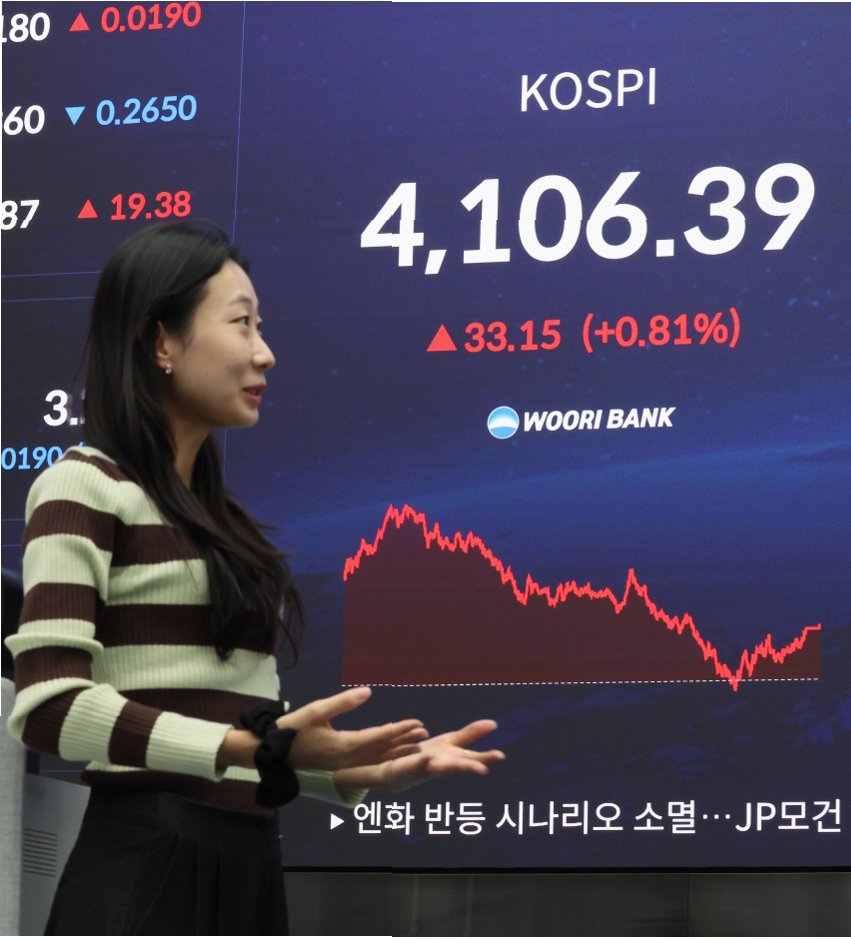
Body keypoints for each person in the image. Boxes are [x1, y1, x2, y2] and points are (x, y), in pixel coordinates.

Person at [5, 221, 505, 934]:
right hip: (145, 865)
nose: (264, 353)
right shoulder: (81, 486)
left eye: (260, 327)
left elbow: (234, 735)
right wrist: (253, 747)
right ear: (160, 342)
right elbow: (49, 707)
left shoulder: (224, 523)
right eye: (241, 323)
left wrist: (354, 770)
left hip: (248, 863)